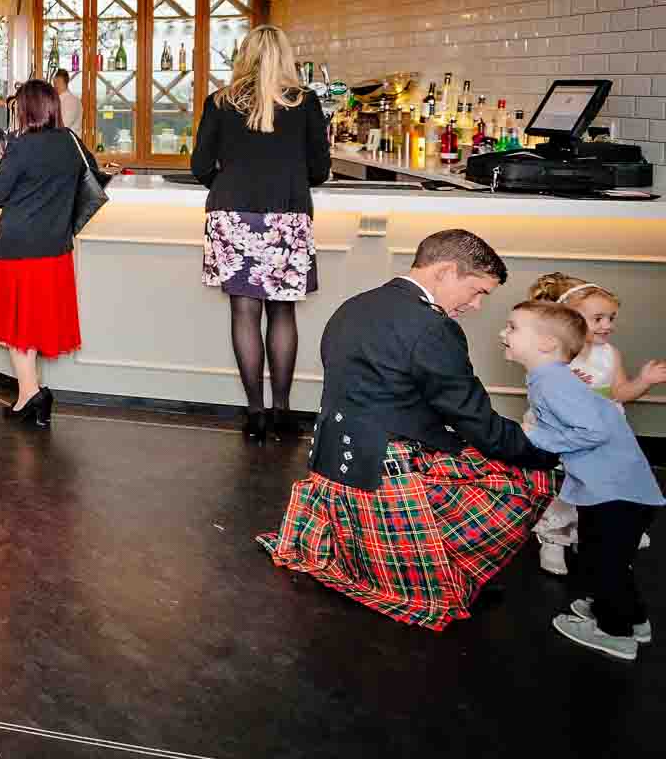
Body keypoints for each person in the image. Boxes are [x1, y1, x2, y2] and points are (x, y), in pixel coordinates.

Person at [258, 229, 559, 630]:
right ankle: (444, 570)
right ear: (447, 271)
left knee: (475, 451)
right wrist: (548, 453)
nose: (476, 305)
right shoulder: (433, 327)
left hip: (331, 462)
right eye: (477, 291)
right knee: (529, 475)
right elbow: (479, 423)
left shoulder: (355, 305)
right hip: (385, 472)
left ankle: (404, 557)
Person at [189, 24, 330, 441]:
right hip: (286, 214)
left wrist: (231, 175)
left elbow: (199, 166)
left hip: (232, 214)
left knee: (244, 314)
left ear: (243, 56)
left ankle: (254, 415)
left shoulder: (220, 102)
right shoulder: (305, 103)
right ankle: (283, 412)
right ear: (285, 57)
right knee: (282, 313)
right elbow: (319, 170)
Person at [502, 300, 663, 660]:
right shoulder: (551, 378)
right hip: (616, 488)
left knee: (604, 563)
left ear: (545, 343)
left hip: (615, 492)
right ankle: (633, 619)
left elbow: (591, 430)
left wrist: (535, 439)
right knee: (605, 558)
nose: (503, 333)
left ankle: (614, 632)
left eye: (512, 327)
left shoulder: (552, 382)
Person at [0, 79, 101, 427]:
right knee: (34, 326)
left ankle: (32, 395)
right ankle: (25, 398)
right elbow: (92, 173)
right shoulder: (71, 142)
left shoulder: (21, 146)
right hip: (55, 249)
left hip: (18, 249)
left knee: (18, 328)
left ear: (25, 108)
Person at [523, 275, 664, 576]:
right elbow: (544, 397)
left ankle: (593, 534)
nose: (607, 325)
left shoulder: (610, 354)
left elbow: (620, 393)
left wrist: (644, 381)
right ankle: (553, 538)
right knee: (564, 489)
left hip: (601, 433)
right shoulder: (554, 356)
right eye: (598, 318)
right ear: (570, 320)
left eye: (611, 318)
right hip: (565, 430)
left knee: (597, 486)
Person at [52, 69, 81, 135]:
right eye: (54, 83)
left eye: (58, 82)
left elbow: (64, 125)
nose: (55, 85)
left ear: (65, 82)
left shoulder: (72, 101)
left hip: (70, 142)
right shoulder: (57, 99)